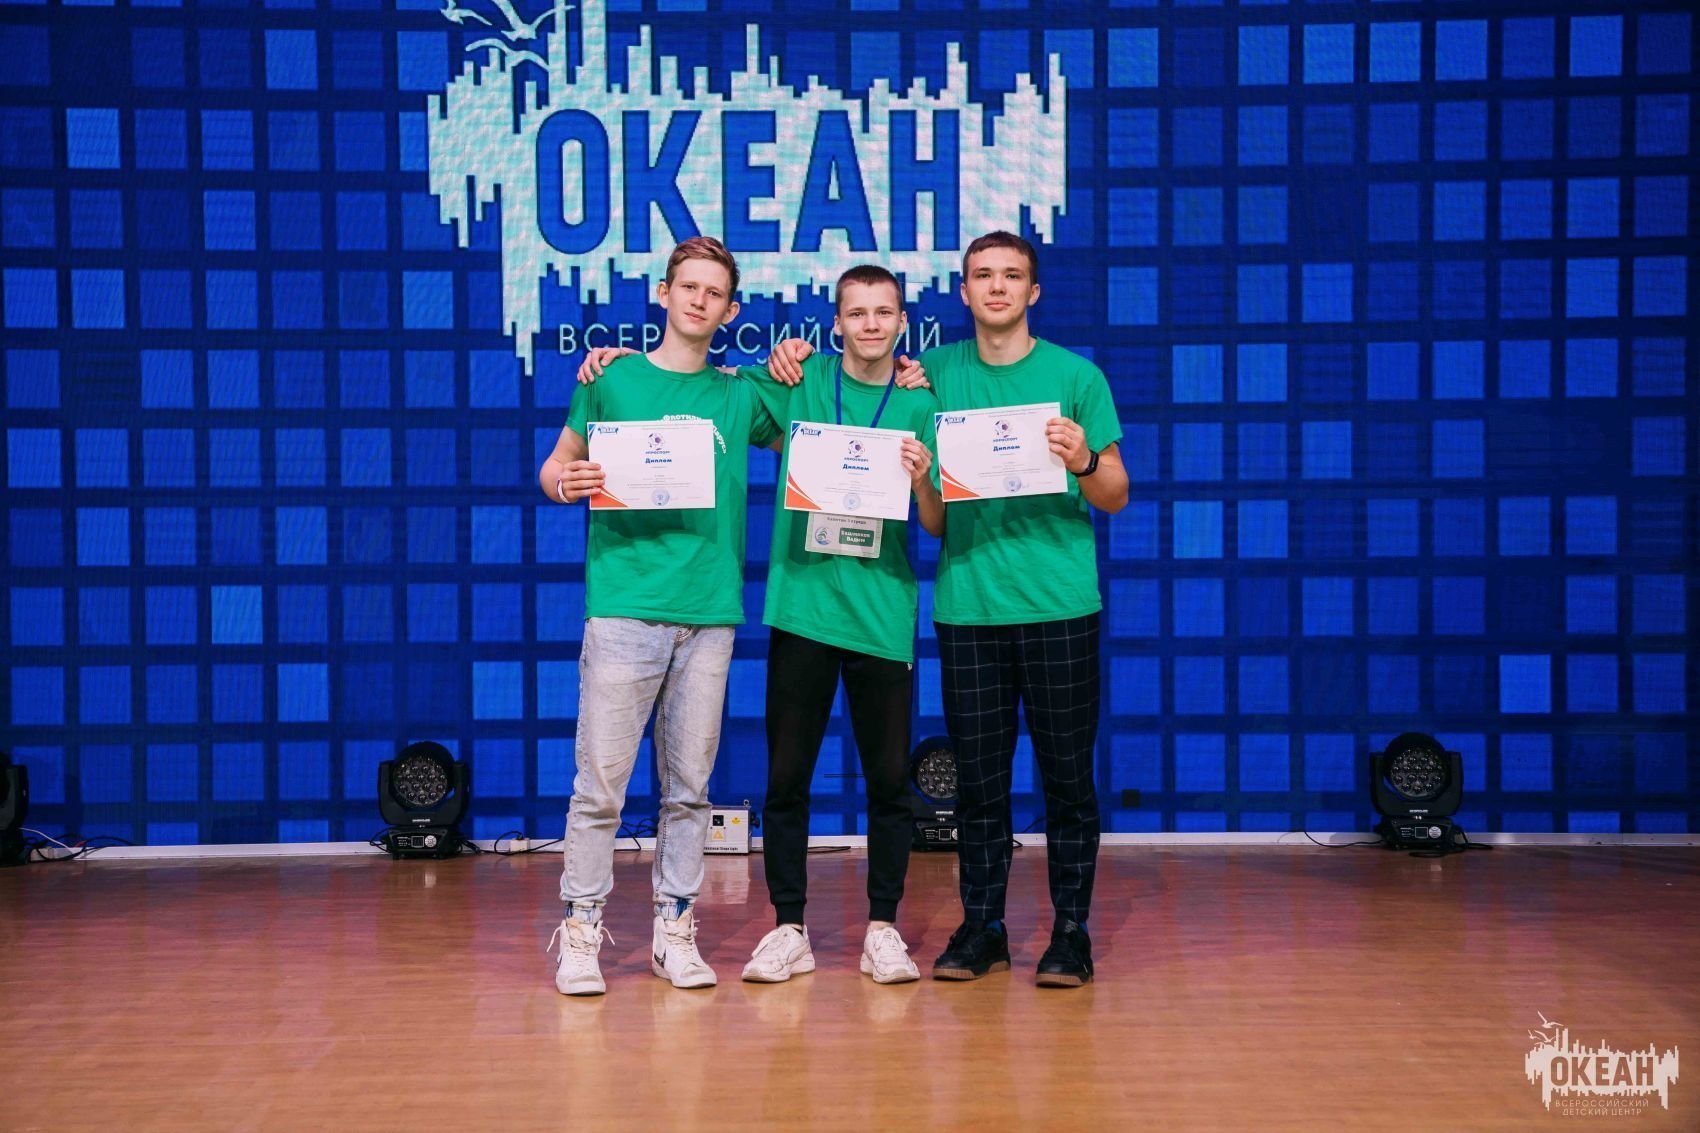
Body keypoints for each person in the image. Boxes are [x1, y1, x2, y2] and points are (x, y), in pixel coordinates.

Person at [768, 231, 1128, 987]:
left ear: (1033, 291)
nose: (997, 286)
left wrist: (1085, 459)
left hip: (1061, 606)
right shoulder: (930, 377)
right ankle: (982, 925)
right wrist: (791, 354)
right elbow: (931, 516)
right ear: (962, 293)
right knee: (979, 786)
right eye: (982, 275)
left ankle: (1070, 932)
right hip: (968, 608)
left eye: (1012, 275)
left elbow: (1116, 493)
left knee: (1068, 781)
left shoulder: (1078, 377)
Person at [578, 266, 942, 985]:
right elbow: (708, 386)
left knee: (889, 781)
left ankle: (883, 929)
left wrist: (924, 475)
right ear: (834, 323)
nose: (870, 324)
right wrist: (614, 361)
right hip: (801, 609)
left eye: (884, 312)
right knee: (786, 780)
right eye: (857, 312)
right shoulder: (796, 382)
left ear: (903, 323)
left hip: (882, 615)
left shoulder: (920, 401)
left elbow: (936, 520)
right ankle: (788, 928)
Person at [537, 236, 781, 996]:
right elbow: (554, 465)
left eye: (715, 292)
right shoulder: (611, 379)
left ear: (730, 311)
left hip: (708, 615)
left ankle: (674, 931)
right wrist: (564, 482)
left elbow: (830, 405)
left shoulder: (740, 394)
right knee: (600, 787)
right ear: (664, 293)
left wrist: (887, 368)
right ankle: (581, 932)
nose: (700, 300)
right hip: (624, 609)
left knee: (689, 790)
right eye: (689, 286)